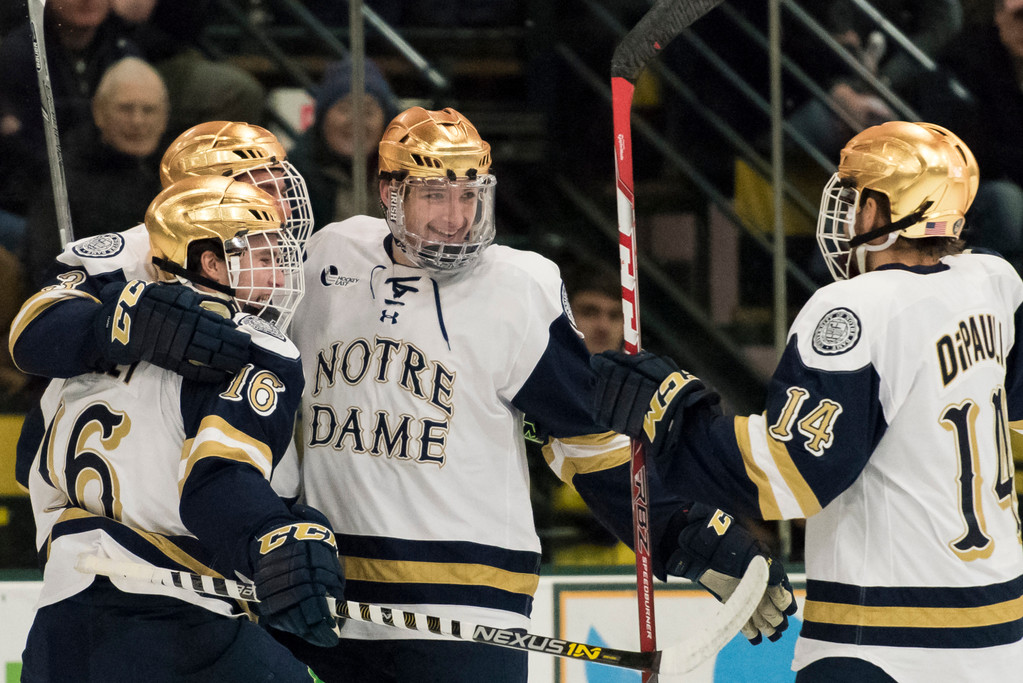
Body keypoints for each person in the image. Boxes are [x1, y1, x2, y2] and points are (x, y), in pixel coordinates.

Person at [283, 106, 796, 682]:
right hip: (330, 601)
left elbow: (585, 443)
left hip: (466, 606)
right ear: (388, 192)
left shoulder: (515, 288)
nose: (456, 219)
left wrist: (686, 531)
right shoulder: (326, 258)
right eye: (433, 195)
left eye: (469, 195)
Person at [591, 120, 1023, 682]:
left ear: (882, 211)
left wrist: (672, 412)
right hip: (1003, 635)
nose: (845, 214)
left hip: (882, 643)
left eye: (854, 198)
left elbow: (794, 468)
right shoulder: (993, 283)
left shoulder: (853, 307)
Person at [13, 175, 343, 682]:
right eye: (262, 256)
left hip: (62, 619)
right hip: (176, 621)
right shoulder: (250, 349)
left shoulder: (98, 332)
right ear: (212, 263)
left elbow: (27, 454)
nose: (280, 274)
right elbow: (216, 481)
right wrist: (271, 535)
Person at [21, 56, 169, 290]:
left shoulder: (178, 177)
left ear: (164, 118)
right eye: (125, 108)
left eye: (149, 110)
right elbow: (46, 267)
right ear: (99, 111)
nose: (138, 121)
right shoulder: (65, 177)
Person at [527, 255, 634, 566]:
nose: (604, 326)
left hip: (638, 577)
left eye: (615, 315)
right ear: (564, 315)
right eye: (590, 312)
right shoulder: (532, 387)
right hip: (557, 574)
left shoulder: (642, 392)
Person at [0, 0, 141, 223]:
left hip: (110, 199)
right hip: (31, 208)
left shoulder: (124, 54)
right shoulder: (15, 56)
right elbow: (24, 157)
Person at [914, 0, 1023, 273]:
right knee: (1006, 202)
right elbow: (965, 152)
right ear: (998, 15)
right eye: (1020, 15)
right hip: (966, 191)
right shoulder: (965, 59)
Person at [110, 0, 267, 138]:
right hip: (113, 57)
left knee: (242, 93)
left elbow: (187, 24)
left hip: (166, 53)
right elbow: (129, 11)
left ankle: (185, 166)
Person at [287, 55, 400, 230]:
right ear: (322, 118)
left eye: (368, 111)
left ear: (386, 122)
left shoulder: (405, 175)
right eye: (344, 109)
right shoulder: (294, 175)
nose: (356, 121)